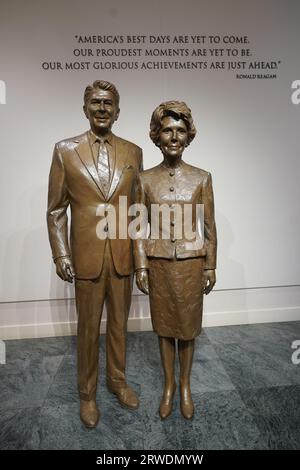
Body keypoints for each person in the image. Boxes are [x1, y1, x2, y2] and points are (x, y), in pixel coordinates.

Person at [47, 80, 143, 428]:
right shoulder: (65, 150)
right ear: (85, 108)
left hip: (122, 255)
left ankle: (117, 381)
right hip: (84, 256)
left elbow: (137, 209)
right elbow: (56, 209)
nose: (102, 108)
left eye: (109, 103)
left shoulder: (134, 152)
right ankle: (86, 394)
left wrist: (139, 256)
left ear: (118, 111)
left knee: (119, 325)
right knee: (88, 329)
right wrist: (61, 255)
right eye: (96, 103)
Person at [135, 101, 217, 419]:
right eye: (167, 130)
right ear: (157, 135)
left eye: (180, 131)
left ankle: (185, 386)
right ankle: (169, 386)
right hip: (157, 264)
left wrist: (210, 264)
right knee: (164, 328)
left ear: (188, 136)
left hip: (191, 264)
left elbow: (209, 226)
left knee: (188, 329)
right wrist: (141, 265)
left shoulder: (202, 178)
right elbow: (136, 227)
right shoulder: (144, 180)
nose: (174, 136)